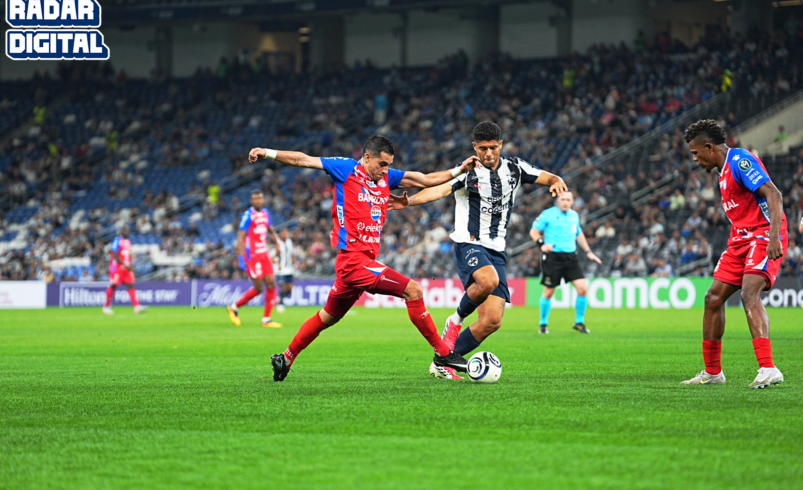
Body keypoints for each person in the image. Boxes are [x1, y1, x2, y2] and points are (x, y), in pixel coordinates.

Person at [248, 135, 478, 382]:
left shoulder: (387, 177)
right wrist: (268, 152)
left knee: (328, 317)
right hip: (353, 262)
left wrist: (458, 170)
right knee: (414, 291)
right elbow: (303, 160)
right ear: (367, 158)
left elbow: (424, 179)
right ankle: (443, 354)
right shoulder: (346, 168)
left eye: (389, 164)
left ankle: (286, 358)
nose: (385, 170)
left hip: (359, 264)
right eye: (382, 164)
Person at [390, 121, 568, 379]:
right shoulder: (468, 172)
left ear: (501, 145)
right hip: (469, 244)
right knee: (488, 280)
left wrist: (557, 180)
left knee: (491, 322)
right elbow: (439, 190)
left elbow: (547, 177)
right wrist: (411, 201)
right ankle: (455, 320)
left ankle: (443, 361)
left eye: (493, 147)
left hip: (496, 250)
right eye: (482, 148)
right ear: (474, 146)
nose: (488, 153)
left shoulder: (515, 168)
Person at [681, 119, 788, 389]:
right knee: (713, 298)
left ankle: (768, 368)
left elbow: (773, 195)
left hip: (763, 234)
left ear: (709, 147)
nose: (694, 159)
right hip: (739, 239)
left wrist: (773, 236)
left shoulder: (740, 160)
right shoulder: (723, 170)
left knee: (748, 293)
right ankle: (713, 373)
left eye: (695, 153)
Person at [530, 191, 602, 334]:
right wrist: (541, 244)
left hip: (571, 257)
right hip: (553, 257)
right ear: (558, 200)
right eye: (562, 199)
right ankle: (543, 324)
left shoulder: (574, 215)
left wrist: (588, 251)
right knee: (549, 291)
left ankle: (579, 322)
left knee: (583, 289)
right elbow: (534, 231)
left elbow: (579, 234)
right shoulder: (547, 214)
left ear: (572, 201)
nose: (565, 202)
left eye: (568, 199)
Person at [227, 190, 282, 328]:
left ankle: (266, 319)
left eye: (260, 198)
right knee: (258, 288)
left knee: (271, 284)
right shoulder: (247, 216)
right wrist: (241, 258)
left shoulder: (266, 213)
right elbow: (240, 237)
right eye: (255, 199)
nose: (257, 201)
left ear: (263, 200)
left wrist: (277, 242)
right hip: (252, 256)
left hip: (264, 254)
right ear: (251, 201)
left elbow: (271, 229)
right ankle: (234, 307)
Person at [102, 226, 146, 315]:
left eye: (128, 231)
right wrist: (125, 265)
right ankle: (106, 307)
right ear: (121, 232)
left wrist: (131, 265)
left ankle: (137, 307)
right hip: (117, 268)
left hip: (126, 268)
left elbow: (128, 256)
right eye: (125, 231)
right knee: (113, 286)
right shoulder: (116, 241)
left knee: (131, 285)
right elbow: (115, 256)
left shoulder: (129, 242)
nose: (127, 232)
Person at [275, 228, 297, 313]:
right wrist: (278, 263)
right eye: (283, 233)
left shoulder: (289, 242)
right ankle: (280, 303)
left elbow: (292, 254)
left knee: (290, 289)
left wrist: (295, 263)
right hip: (281, 271)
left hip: (289, 269)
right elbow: (273, 256)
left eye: (286, 233)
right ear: (281, 234)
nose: (285, 235)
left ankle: (280, 298)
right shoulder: (278, 243)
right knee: (284, 289)